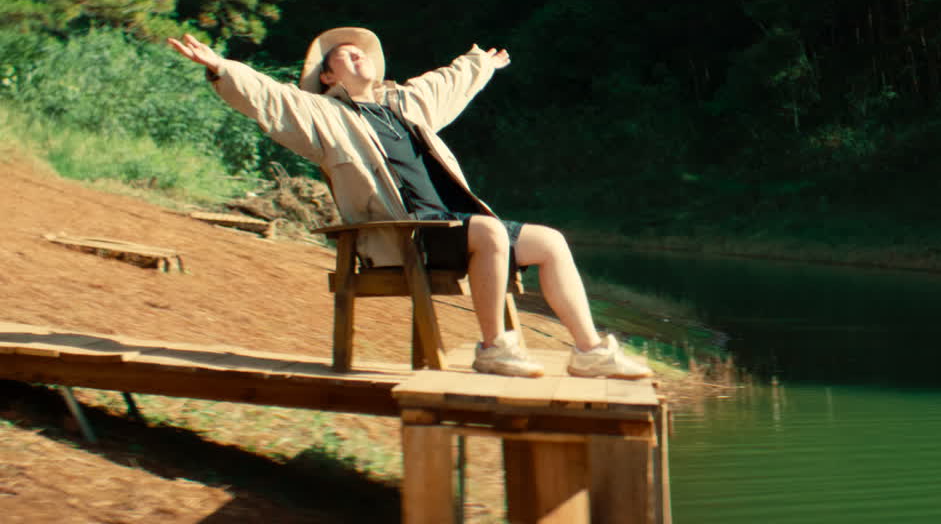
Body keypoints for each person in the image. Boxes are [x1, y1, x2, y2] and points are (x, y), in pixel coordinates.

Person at [167, 27, 651, 380]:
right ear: (329, 74)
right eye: (346, 58)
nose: (357, 60)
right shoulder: (321, 114)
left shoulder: (405, 103)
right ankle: (493, 347)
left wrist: (482, 62)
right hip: (404, 237)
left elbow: (447, 81)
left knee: (551, 242)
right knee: (488, 231)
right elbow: (268, 97)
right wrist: (220, 67)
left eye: (362, 54)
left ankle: (589, 350)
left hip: (450, 226)